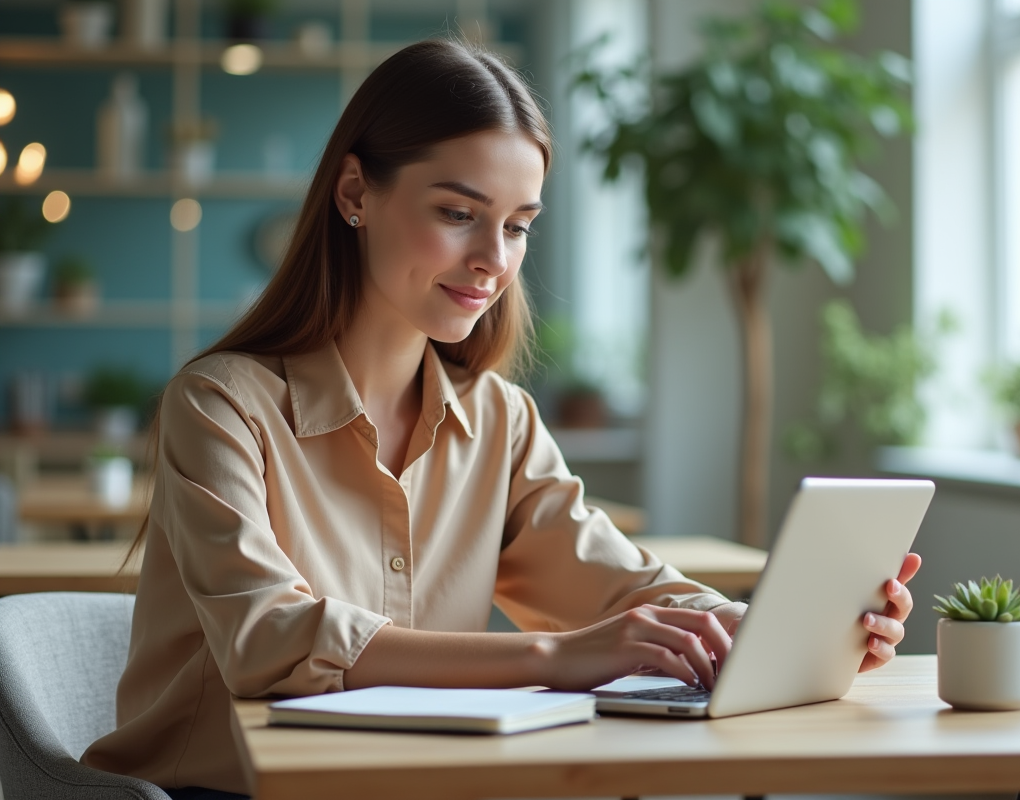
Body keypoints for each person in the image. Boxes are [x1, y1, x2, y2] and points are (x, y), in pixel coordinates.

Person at [82, 38, 921, 800]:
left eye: (518, 227)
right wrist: (555, 657)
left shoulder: (500, 419)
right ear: (354, 194)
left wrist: (775, 624)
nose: (494, 260)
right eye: (458, 214)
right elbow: (267, 637)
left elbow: (618, 585)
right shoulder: (222, 403)